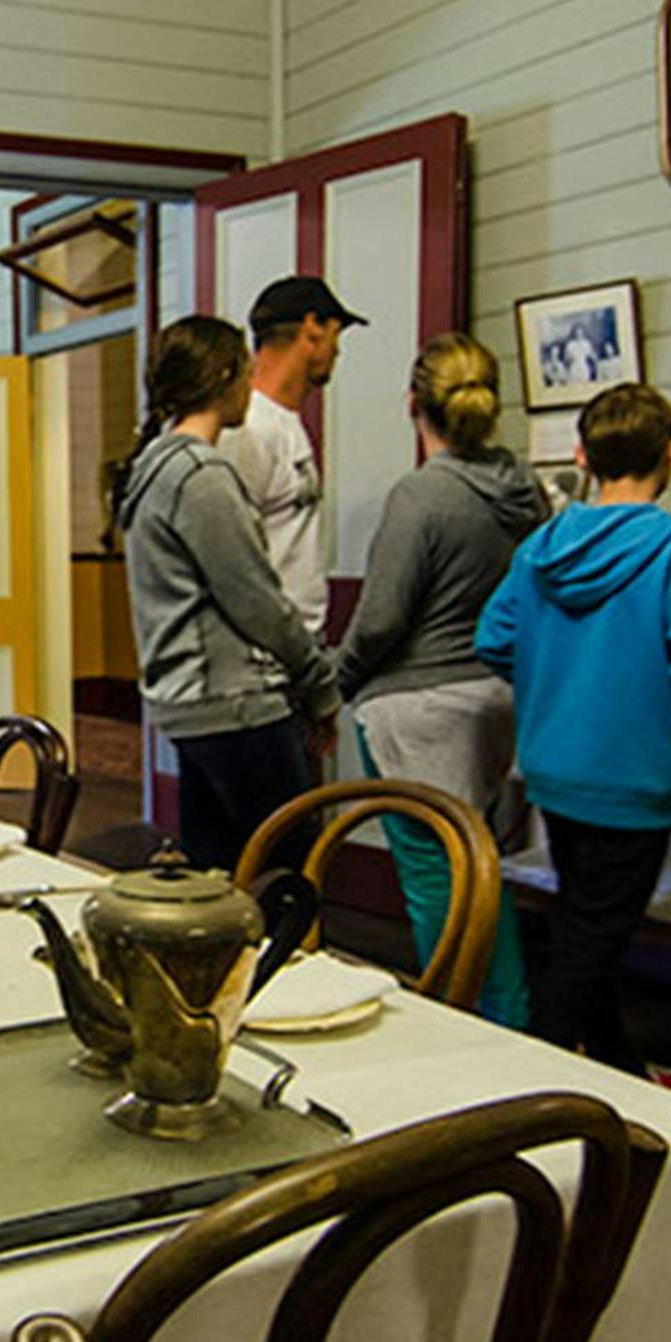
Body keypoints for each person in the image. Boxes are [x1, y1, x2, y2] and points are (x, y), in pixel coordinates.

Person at [476, 383, 671, 1089]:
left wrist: (551, 676)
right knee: (593, 941)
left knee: (580, 926)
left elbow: (494, 636)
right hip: (632, 771)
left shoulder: (542, 547)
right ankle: (532, 1090)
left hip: (553, 765)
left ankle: (621, 1071)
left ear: (581, 455)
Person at [337, 333, 546, 1029]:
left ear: (412, 405)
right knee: (481, 865)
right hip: (494, 699)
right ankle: (510, 1013)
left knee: (433, 873)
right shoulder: (525, 492)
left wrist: (338, 678)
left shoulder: (422, 496)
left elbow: (381, 618)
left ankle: (461, 1023)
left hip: (416, 705)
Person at [110, 315, 341, 871]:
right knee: (288, 878)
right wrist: (319, 684)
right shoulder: (200, 476)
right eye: (243, 371)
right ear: (223, 376)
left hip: (191, 703)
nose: (250, 387)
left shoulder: (155, 468)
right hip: (232, 704)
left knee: (219, 876)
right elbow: (256, 601)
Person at [219, 276, 365, 642]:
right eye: (335, 335)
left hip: (298, 649)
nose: (337, 351)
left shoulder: (285, 423)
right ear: (311, 328)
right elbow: (233, 560)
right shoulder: (247, 428)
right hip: (265, 655)